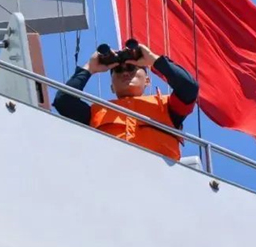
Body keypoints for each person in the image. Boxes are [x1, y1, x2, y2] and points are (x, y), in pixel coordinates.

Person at [53, 43, 199, 160]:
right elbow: (63, 101)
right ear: (111, 87)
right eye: (118, 70)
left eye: (131, 68)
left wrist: (154, 60)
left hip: (160, 179)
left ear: (147, 80)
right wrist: (89, 68)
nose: (125, 72)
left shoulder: (166, 106)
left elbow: (189, 88)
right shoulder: (96, 112)